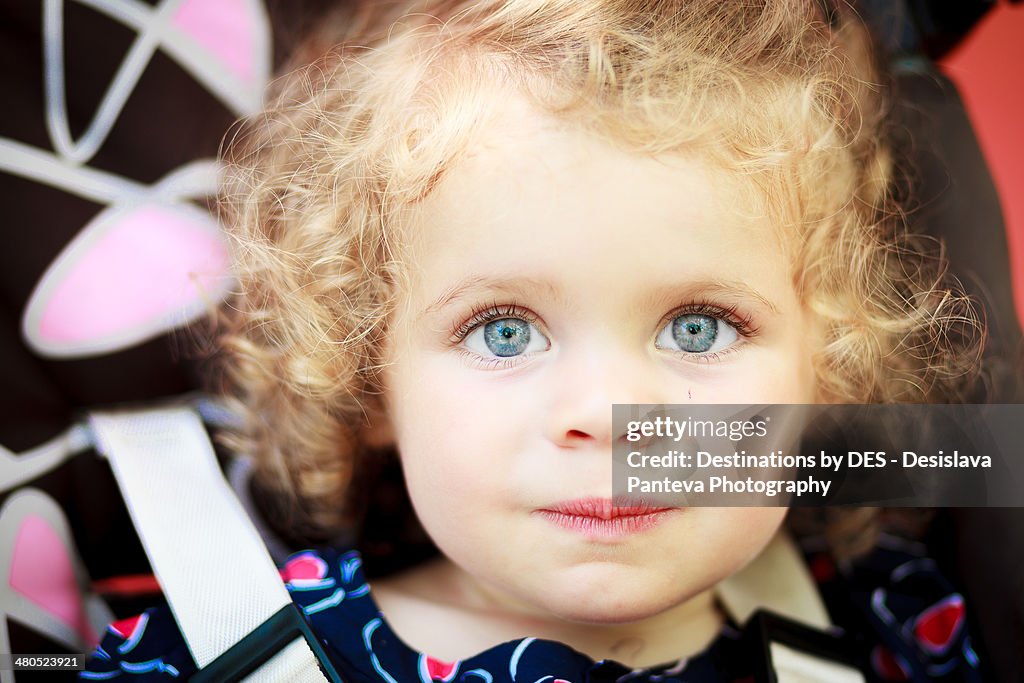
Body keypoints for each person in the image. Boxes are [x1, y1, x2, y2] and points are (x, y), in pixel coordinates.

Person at [82, 0, 985, 680]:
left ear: (821, 368)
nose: (607, 413)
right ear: (369, 384)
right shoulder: (209, 659)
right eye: (504, 332)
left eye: (698, 326)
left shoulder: (889, 627)